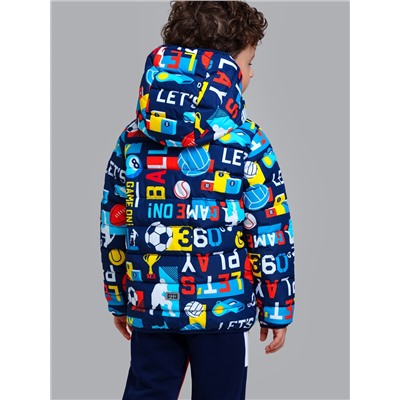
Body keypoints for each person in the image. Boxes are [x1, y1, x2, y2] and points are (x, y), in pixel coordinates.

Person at [100, 1, 295, 399]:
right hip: (222, 307)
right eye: (249, 62)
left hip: (151, 305)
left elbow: (114, 225)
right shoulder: (247, 140)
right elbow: (269, 229)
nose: (252, 73)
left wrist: (120, 298)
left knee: (148, 392)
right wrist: (277, 307)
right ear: (224, 70)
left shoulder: (132, 138)